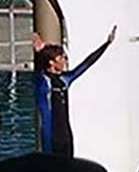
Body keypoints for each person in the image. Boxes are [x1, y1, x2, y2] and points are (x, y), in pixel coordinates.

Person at [32, 26, 117, 157]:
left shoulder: (65, 79)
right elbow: (37, 74)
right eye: (61, 58)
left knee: (69, 170)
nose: (65, 60)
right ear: (51, 62)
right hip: (50, 137)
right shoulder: (44, 83)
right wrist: (39, 53)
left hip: (66, 135)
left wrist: (106, 44)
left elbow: (86, 64)